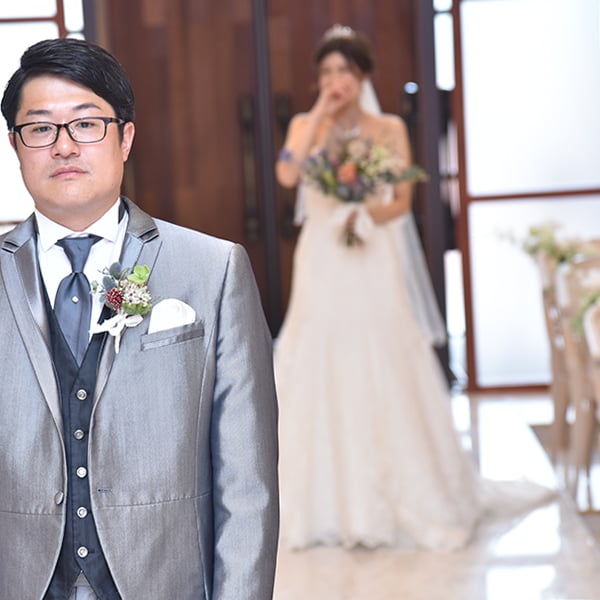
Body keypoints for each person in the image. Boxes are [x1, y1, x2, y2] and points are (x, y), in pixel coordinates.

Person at [0, 38, 278, 599]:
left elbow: (247, 482)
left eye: (86, 124)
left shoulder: (213, 269)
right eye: (41, 128)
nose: (64, 146)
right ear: (15, 145)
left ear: (125, 138)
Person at [274, 24, 553, 551]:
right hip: (322, 259)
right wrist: (319, 117)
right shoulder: (305, 126)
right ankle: (323, 504)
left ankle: (395, 496)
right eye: (326, 72)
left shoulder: (388, 129)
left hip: (370, 252)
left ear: (362, 76)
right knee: (318, 353)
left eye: (344, 71)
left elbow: (401, 201)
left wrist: (361, 214)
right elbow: (288, 175)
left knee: (382, 354)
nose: (335, 80)